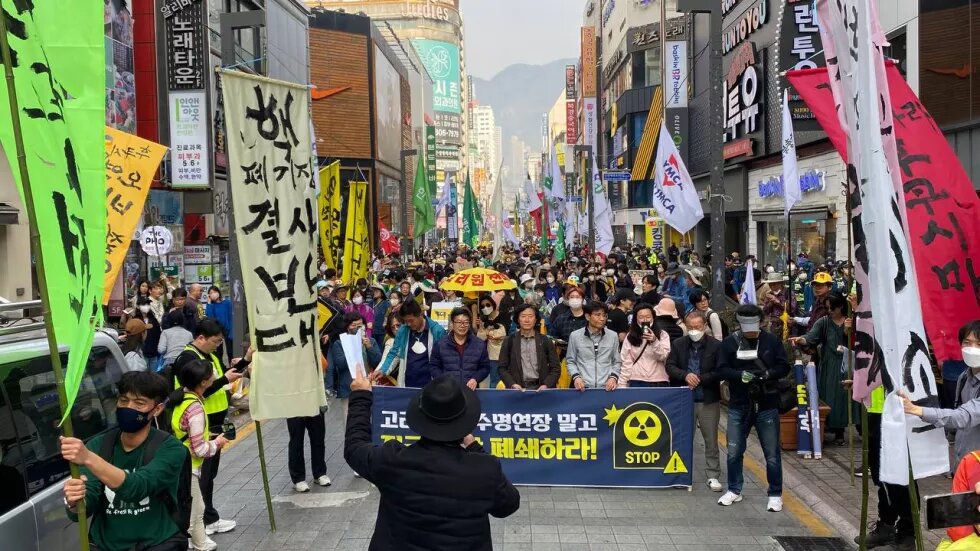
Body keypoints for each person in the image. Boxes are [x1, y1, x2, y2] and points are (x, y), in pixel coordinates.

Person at [345, 371, 521, 550]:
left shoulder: (392, 460)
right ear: (465, 422)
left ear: (420, 417)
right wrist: (475, 447)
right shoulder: (484, 469)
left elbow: (354, 448)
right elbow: (508, 505)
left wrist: (361, 396)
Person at [61, 371, 189, 551]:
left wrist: (88, 458)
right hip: (106, 546)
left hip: (157, 544)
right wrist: (74, 501)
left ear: (157, 409)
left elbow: (137, 487)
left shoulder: (171, 448)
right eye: (123, 400)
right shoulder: (98, 445)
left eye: (139, 403)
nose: (128, 407)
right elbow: (84, 507)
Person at [169, 319, 246, 537]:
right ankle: (199, 523)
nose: (218, 345)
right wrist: (223, 380)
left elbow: (220, 379)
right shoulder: (187, 358)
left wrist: (245, 360)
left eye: (221, 341)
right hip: (201, 420)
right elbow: (203, 386)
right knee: (200, 475)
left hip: (214, 418)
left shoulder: (209, 355)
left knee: (208, 475)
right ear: (200, 337)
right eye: (215, 341)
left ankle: (208, 517)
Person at [716, 304, 791, 512]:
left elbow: (784, 366)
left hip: (766, 404)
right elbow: (721, 369)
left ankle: (775, 493)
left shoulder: (771, 341)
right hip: (738, 404)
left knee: (772, 453)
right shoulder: (729, 343)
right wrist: (738, 375)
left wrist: (767, 374)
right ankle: (734, 489)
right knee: (733, 451)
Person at [902, 320, 980, 469]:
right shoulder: (964, 376)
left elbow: (963, 417)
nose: (972, 349)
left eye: (979, 344)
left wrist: (916, 410)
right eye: (967, 342)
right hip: (963, 461)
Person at [173, 359, 229, 551]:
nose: (215, 374)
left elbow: (186, 432)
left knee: (190, 507)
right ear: (204, 382)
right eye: (211, 373)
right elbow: (200, 449)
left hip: (180, 461)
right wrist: (217, 443)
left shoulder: (182, 398)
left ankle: (192, 541)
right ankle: (201, 544)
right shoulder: (195, 408)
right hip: (188, 465)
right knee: (197, 509)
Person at [666, 310, 723, 491]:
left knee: (711, 440)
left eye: (697, 327)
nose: (694, 331)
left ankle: (713, 475)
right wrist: (685, 375)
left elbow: (721, 370)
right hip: (684, 399)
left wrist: (701, 378)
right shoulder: (678, 344)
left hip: (708, 399)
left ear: (705, 326)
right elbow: (670, 366)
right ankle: (681, 474)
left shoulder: (716, 346)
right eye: (690, 328)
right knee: (682, 438)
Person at [790, 291, 853, 445]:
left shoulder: (851, 321)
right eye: (828, 308)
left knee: (844, 398)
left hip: (848, 364)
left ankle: (841, 431)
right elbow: (811, 336)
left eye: (833, 308)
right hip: (829, 365)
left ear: (841, 307)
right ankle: (827, 428)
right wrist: (801, 339)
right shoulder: (823, 322)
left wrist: (848, 331)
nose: (830, 311)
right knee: (828, 396)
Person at [373, 299, 447, 388]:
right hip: (407, 384)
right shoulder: (403, 330)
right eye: (405, 321)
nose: (408, 324)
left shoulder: (437, 331)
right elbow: (394, 353)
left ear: (420, 315)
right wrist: (383, 370)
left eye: (411, 320)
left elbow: (444, 359)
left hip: (431, 384)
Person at [328, 313, 382, 416]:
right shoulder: (339, 343)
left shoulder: (371, 341)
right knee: (350, 422)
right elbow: (340, 364)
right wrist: (354, 347)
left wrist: (369, 347)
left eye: (360, 325)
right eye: (354, 325)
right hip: (349, 390)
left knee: (371, 420)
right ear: (347, 327)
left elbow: (377, 362)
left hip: (369, 387)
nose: (357, 328)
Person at [497, 304, 561, 390]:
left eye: (530, 316)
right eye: (523, 316)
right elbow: (502, 368)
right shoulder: (509, 341)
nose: (527, 320)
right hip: (518, 390)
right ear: (518, 320)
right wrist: (512, 384)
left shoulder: (545, 341)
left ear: (536, 320)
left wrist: (546, 385)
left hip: (541, 389)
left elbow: (556, 368)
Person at [431, 307, 495, 391]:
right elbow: (434, 366)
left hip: (470, 391)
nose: (462, 325)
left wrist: (475, 379)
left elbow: (485, 367)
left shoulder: (479, 344)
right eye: (458, 322)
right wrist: (442, 380)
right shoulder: (440, 344)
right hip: (447, 391)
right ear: (452, 323)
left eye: (466, 322)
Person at [567, 302, 621, 391]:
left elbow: (617, 362)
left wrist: (613, 377)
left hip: (606, 388)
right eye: (598, 315)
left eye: (604, 315)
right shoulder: (575, 336)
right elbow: (570, 361)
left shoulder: (613, 336)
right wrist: (576, 377)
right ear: (588, 317)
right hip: (583, 388)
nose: (602, 319)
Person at [618, 303, 671, 388]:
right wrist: (622, 384)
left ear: (653, 317)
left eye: (648, 317)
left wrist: (654, 341)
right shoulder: (630, 336)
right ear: (636, 319)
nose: (645, 320)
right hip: (637, 380)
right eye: (641, 317)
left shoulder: (662, 334)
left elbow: (663, 357)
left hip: (659, 380)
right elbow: (626, 362)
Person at [475, 297, 507, 388]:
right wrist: (481, 327)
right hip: (492, 355)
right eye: (482, 306)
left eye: (488, 305)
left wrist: (488, 332)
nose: (485, 307)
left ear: (493, 304)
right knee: (494, 380)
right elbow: (480, 339)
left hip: (504, 353)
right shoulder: (484, 320)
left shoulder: (503, 316)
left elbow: (501, 334)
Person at [133, 297, 162, 371]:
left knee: (153, 374)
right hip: (141, 353)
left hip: (153, 352)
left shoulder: (153, 319)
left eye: (148, 304)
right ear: (138, 306)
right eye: (144, 304)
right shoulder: (135, 320)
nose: (146, 306)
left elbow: (158, 334)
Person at [204, 286, 232, 360]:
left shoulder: (227, 303)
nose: (213, 294)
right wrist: (209, 303)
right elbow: (209, 317)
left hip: (228, 330)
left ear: (218, 292)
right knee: (219, 352)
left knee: (230, 351)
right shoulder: (211, 305)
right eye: (211, 293)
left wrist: (231, 331)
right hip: (217, 331)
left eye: (214, 292)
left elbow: (231, 317)